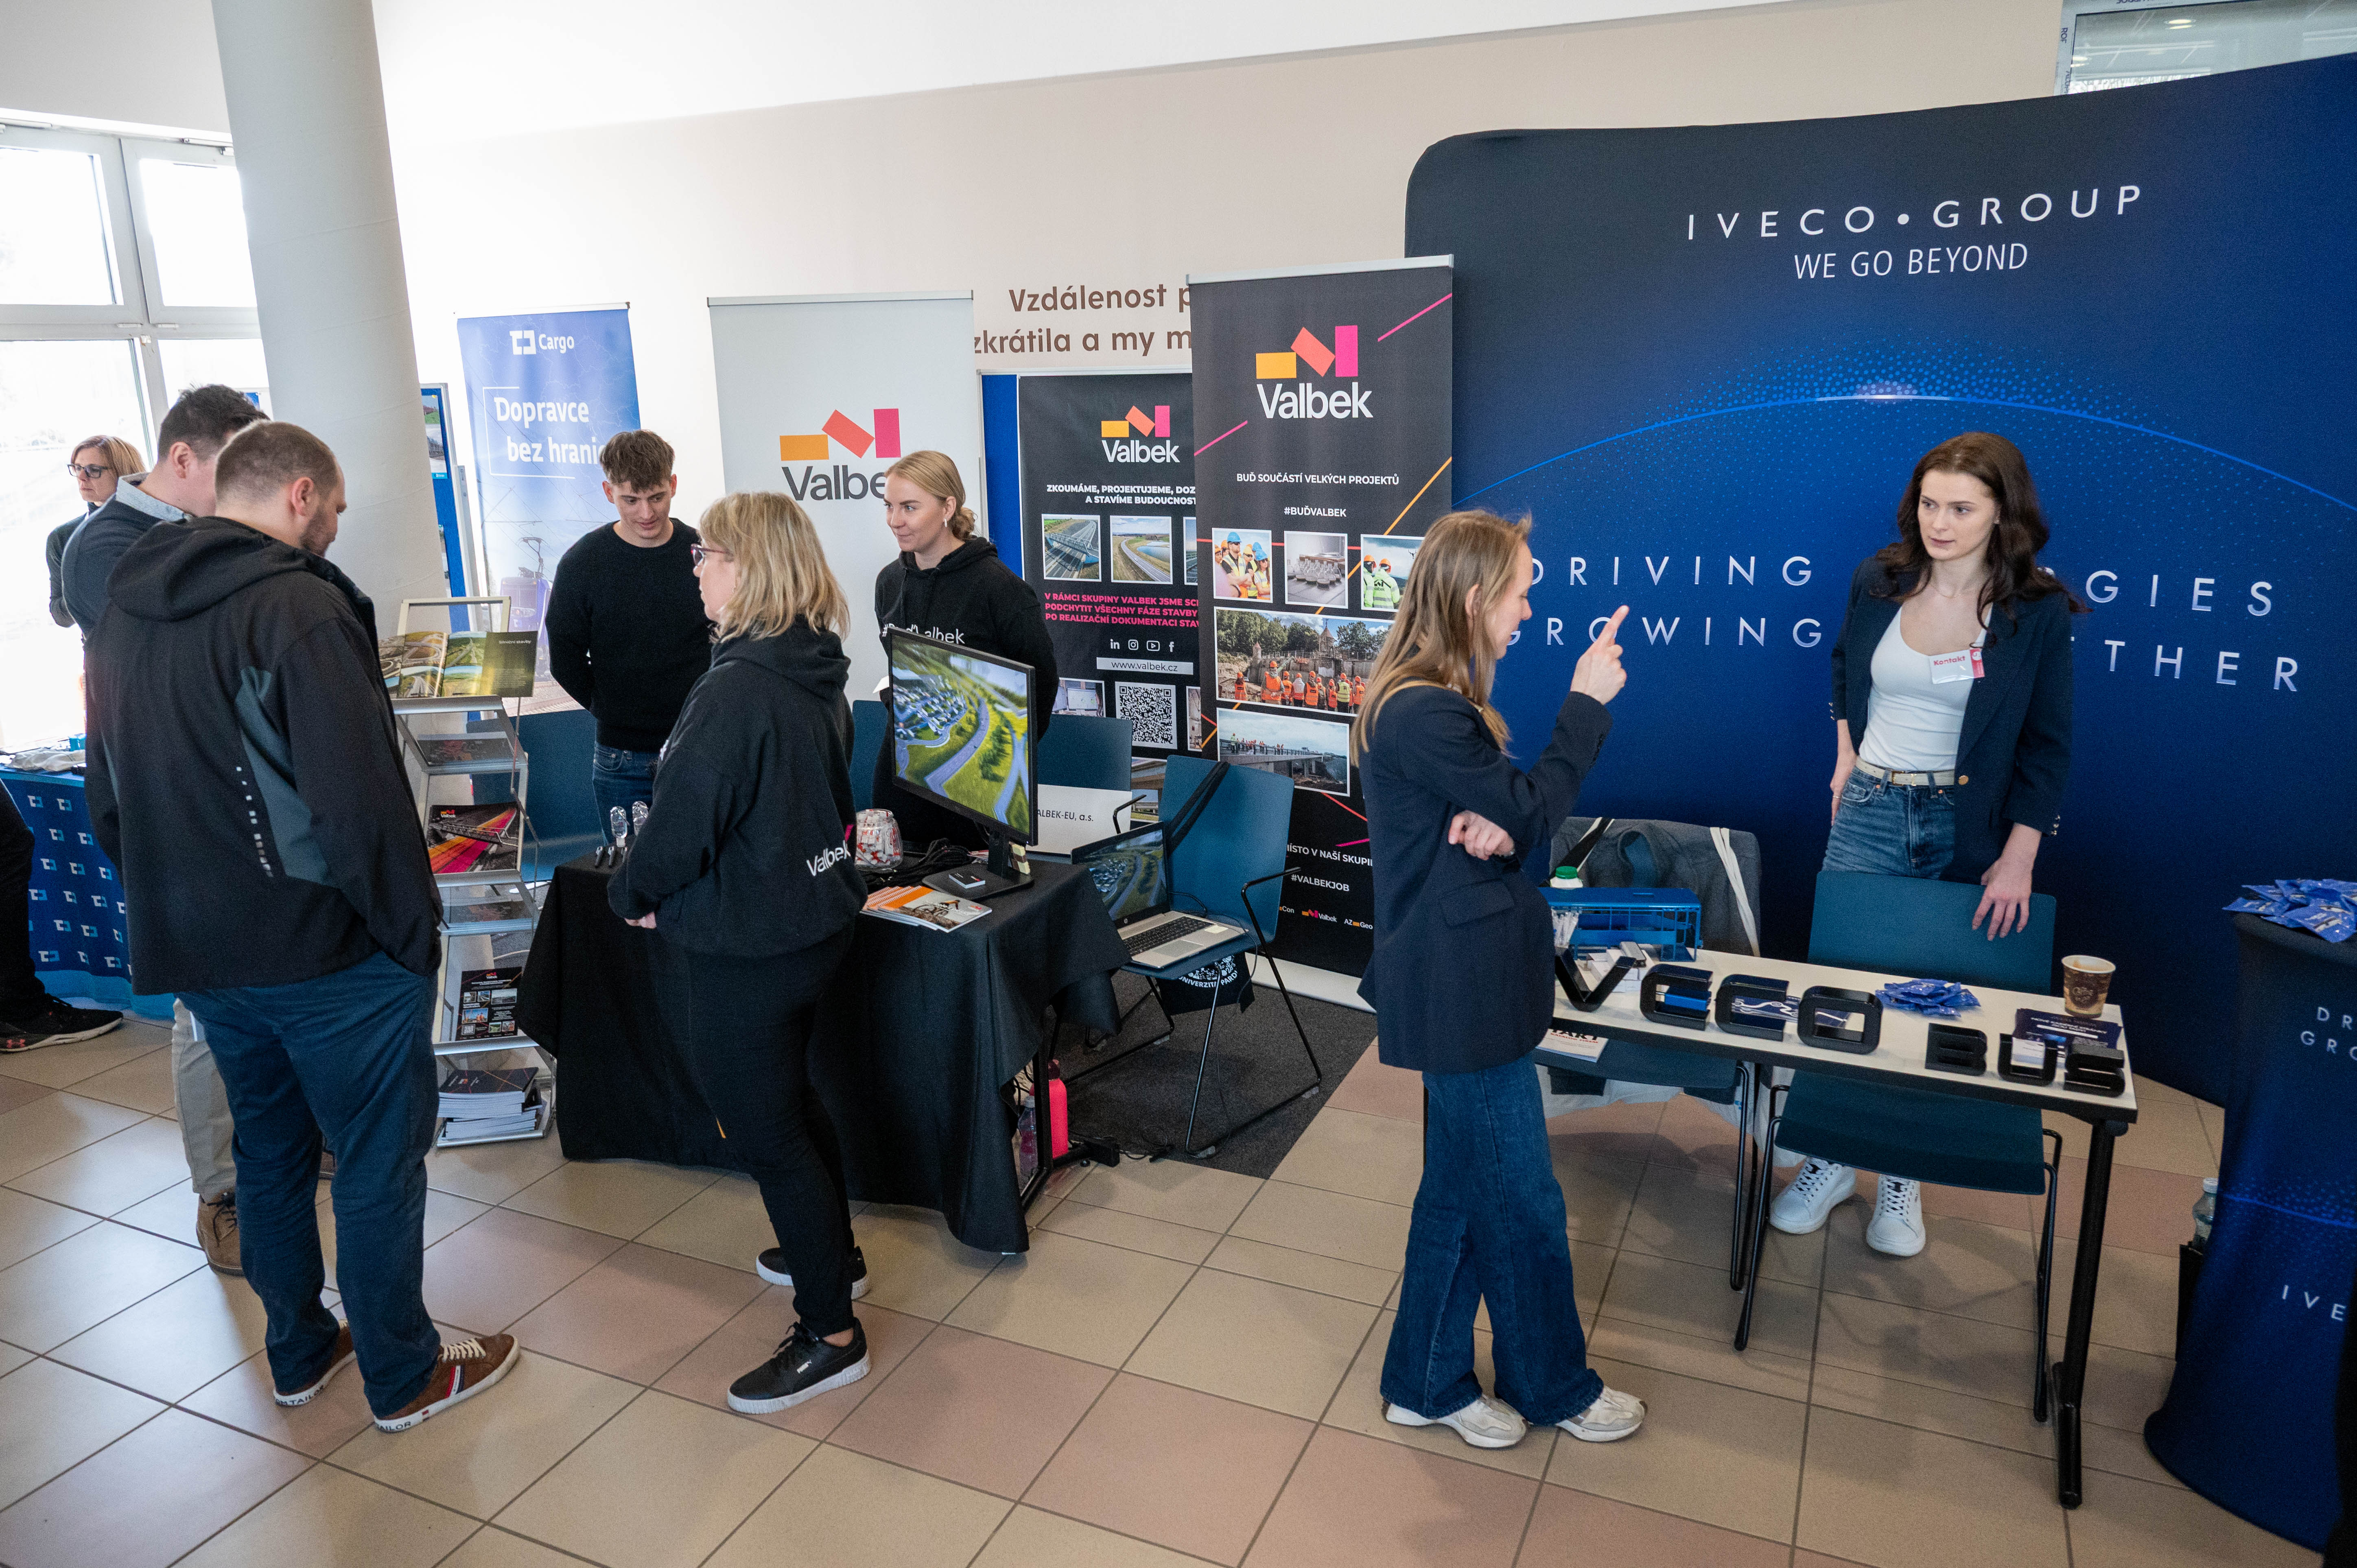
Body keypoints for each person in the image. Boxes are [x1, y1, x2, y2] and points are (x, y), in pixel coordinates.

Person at [85, 419, 518, 1432]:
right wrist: (410, 937)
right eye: (336, 506)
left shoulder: (123, 607)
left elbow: (109, 796)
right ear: (299, 495)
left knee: (271, 1154)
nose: (335, 524)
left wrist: (176, 902)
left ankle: (299, 1349)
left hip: (202, 951)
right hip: (327, 953)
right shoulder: (297, 608)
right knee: (374, 1160)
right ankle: (403, 1375)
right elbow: (358, 804)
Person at [1353, 509, 1645, 1450]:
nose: (1527, 611)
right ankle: (1553, 1387)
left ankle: (1423, 1382)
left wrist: (1505, 822)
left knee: (1458, 1195)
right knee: (1522, 1204)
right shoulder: (1424, 710)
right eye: (1520, 594)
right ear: (1477, 598)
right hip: (1462, 993)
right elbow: (1529, 806)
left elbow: (1520, 820)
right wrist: (1584, 705)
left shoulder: (1432, 703)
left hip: (1466, 985)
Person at [1771, 431, 2082, 1258]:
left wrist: (2019, 856)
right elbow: (1845, 667)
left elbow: (2048, 744)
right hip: (1871, 807)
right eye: (1929, 504)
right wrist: (1845, 756)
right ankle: (1831, 1156)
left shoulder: (2037, 610)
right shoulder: (1879, 578)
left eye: (1961, 508)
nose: (1939, 523)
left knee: (1935, 1001)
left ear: (2002, 513)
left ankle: (1901, 1174)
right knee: (1844, 993)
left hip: (1967, 824)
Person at [608, 491, 872, 1413]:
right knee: (794, 1104)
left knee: (769, 1134)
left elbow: (683, 827)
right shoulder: (813, 661)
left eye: (708, 553)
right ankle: (833, 1253)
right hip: (814, 925)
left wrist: (633, 894)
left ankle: (831, 1332)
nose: (695, 566)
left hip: (751, 948)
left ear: (750, 567)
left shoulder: (734, 690)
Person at [60, 385, 266, 1274]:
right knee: (203, 1007)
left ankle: (278, 1150)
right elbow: (190, 655)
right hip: (161, 805)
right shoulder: (105, 544)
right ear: (183, 458)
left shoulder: (200, 534)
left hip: (233, 797)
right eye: (232, 470)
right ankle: (222, 1192)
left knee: (262, 988)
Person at [872, 450, 1055, 850]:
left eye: (909, 507)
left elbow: (1040, 686)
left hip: (976, 792)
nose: (895, 520)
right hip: (901, 778)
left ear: (947, 507)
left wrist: (1000, 760)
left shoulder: (1000, 590)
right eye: (889, 506)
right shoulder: (889, 583)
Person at [544, 430, 712, 840]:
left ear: (673, 485)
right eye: (631, 500)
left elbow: (731, 639)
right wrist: (610, 709)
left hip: (702, 745)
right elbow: (564, 658)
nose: (646, 513)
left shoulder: (705, 553)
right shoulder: (582, 563)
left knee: (709, 873)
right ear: (609, 492)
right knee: (627, 874)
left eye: (657, 497)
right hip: (622, 757)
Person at [48, 435, 145, 628]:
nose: (82, 478)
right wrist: (88, 585)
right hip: (101, 642)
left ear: (122, 472)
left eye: (94, 470)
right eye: (78, 468)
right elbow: (59, 615)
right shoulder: (63, 537)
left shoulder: (155, 524)